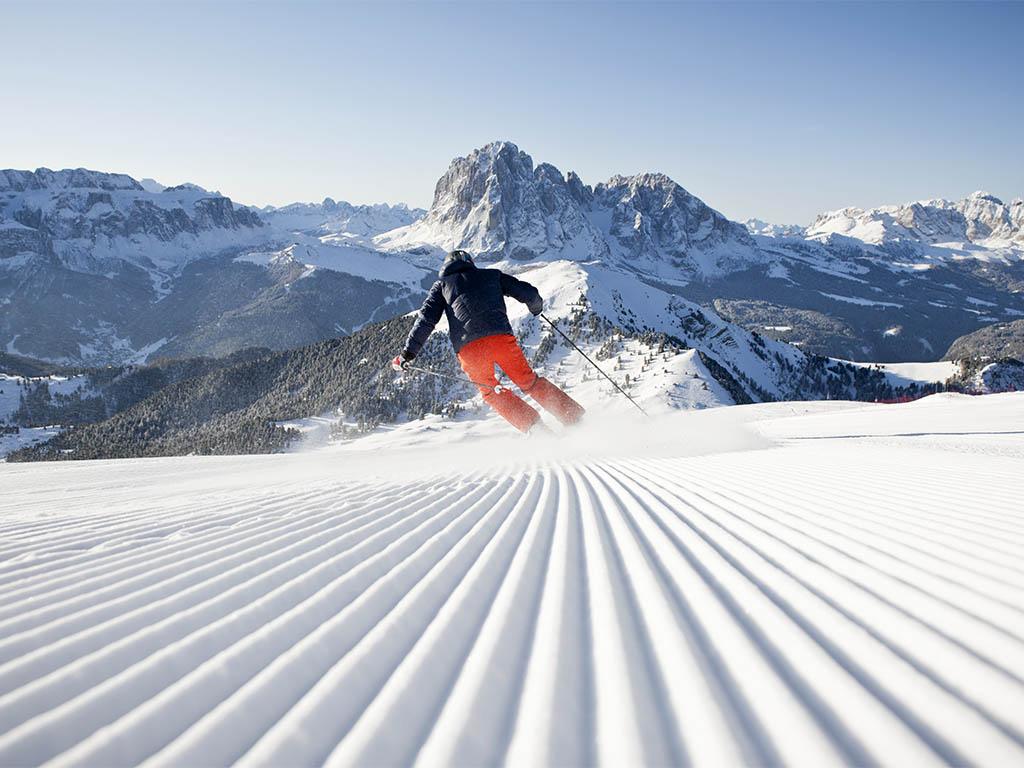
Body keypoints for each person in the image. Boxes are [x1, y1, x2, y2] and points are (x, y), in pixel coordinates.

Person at [392, 249, 585, 433]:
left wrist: (408, 353)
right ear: (471, 263)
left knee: (491, 391)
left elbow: (426, 320)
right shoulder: (492, 275)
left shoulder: (441, 286)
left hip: (469, 350)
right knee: (528, 381)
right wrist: (536, 308)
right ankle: (573, 418)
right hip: (500, 339)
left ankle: (536, 429)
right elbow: (529, 294)